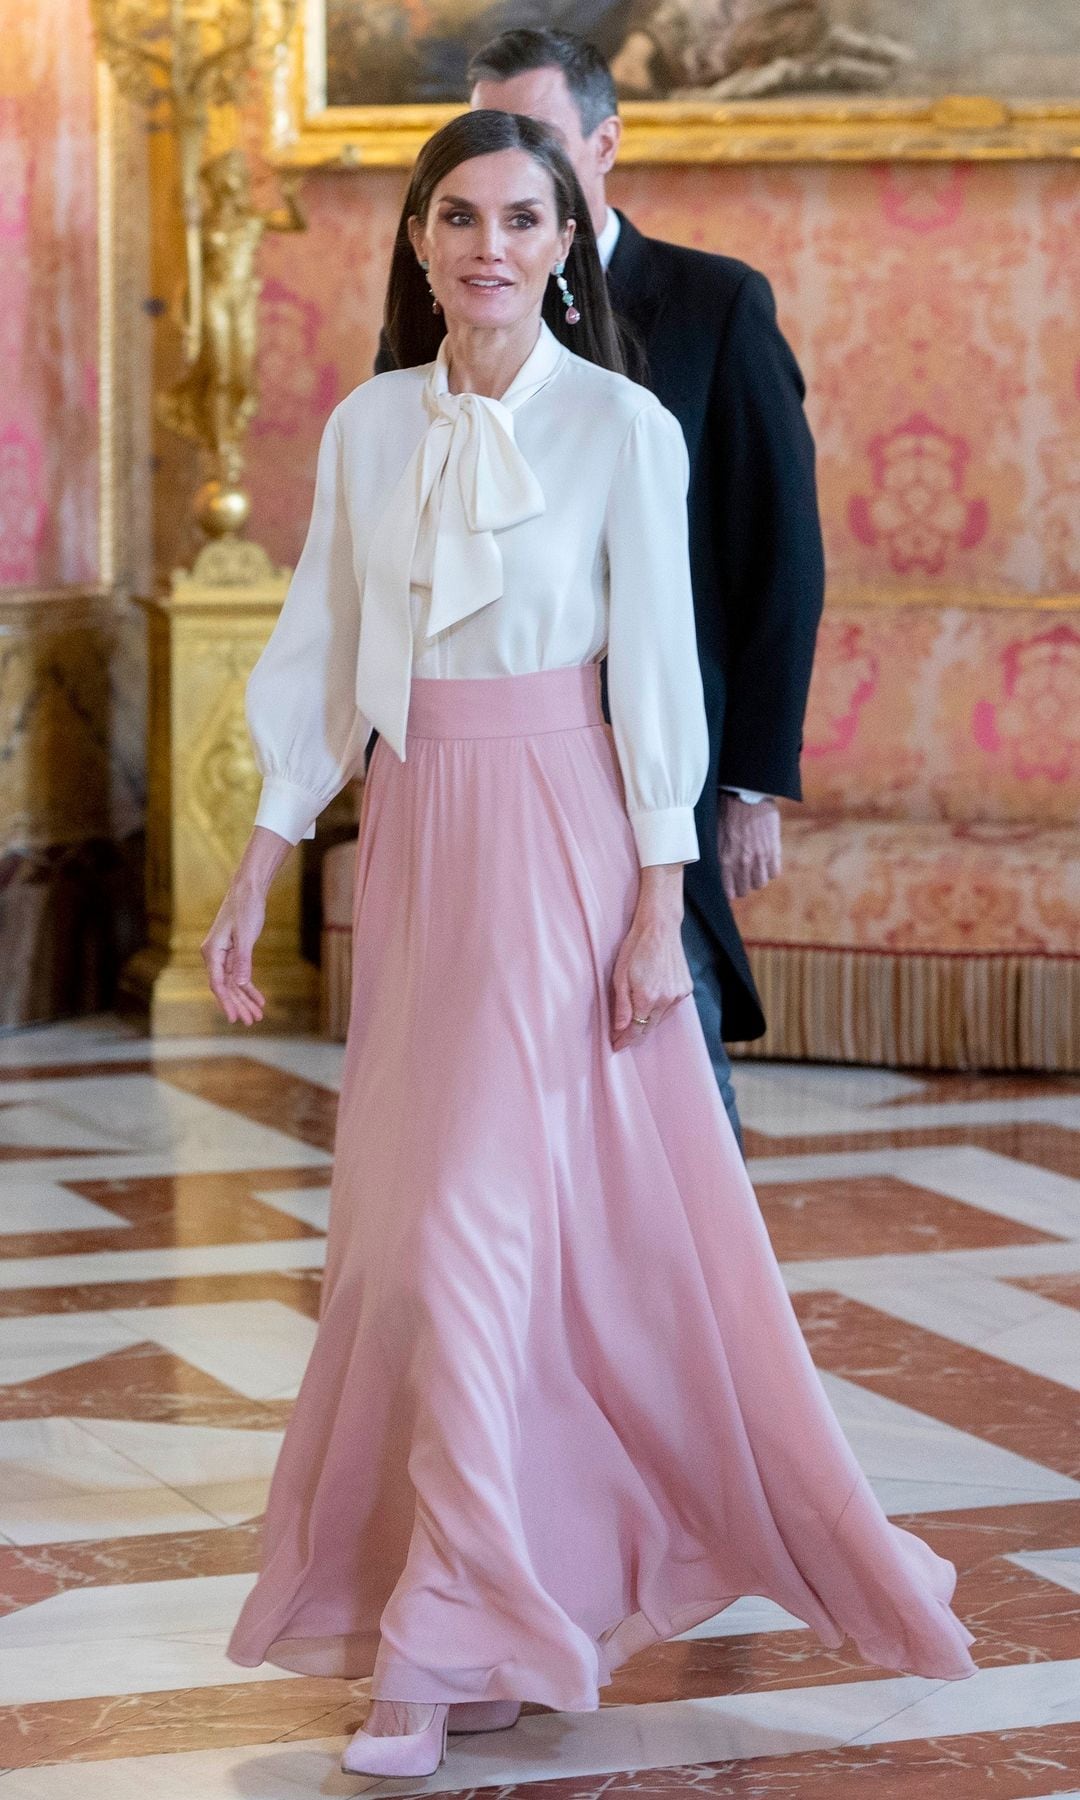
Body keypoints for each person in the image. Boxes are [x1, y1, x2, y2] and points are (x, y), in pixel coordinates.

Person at [206, 109, 974, 1783]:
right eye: (461, 217)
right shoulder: (365, 428)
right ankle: (483, 1611)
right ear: (417, 240)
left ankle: (426, 1655)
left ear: (569, 239)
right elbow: (326, 649)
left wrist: (651, 904)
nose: (491, 247)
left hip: (560, 839)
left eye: (526, 220)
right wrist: (261, 861)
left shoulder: (623, 427)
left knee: (466, 1246)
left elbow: (661, 683)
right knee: (405, 1251)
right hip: (417, 846)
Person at [377, 31, 825, 1148]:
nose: (505, 166)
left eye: (538, 141)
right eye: (483, 140)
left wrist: (752, 782)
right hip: (493, 781)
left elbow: (779, 555)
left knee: (665, 1064)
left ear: (604, 146)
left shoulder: (717, 304)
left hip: (668, 749)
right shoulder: (441, 314)